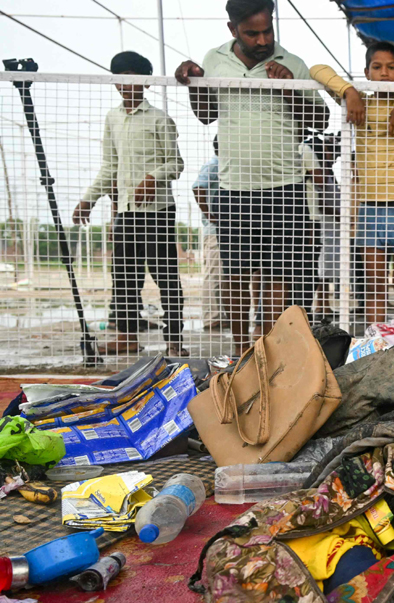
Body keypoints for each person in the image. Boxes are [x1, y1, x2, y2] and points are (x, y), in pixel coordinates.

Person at [174, 0, 329, 354]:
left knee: (277, 275)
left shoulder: (292, 63)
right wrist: (194, 83)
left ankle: (270, 350)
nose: (262, 40)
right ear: (232, 30)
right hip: (233, 187)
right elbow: (205, 114)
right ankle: (241, 348)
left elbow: (320, 121)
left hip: (285, 186)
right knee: (237, 274)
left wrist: (290, 86)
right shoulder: (214, 60)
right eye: (252, 33)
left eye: (267, 30)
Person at [310, 44, 394, 326]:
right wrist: (350, 92)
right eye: (377, 67)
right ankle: (377, 345)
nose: (384, 73)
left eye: (391, 67)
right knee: (375, 285)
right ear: (367, 72)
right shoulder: (360, 105)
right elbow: (317, 69)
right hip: (369, 208)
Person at [74, 51, 186, 357]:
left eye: (132, 77)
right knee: (124, 277)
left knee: (165, 276)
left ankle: (174, 340)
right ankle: (127, 336)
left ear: (145, 81)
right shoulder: (113, 119)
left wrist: (152, 177)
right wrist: (88, 199)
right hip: (125, 212)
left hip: (158, 212)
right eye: (120, 78)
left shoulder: (160, 119)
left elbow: (176, 164)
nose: (126, 84)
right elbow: (110, 167)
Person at [299, 134, 340, 322]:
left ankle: (322, 306)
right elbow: (323, 200)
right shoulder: (314, 169)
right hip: (315, 221)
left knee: (322, 268)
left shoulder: (329, 174)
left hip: (327, 227)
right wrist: (342, 214)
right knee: (316, 267)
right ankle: (315, 307)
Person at [192, 138, 225, 333]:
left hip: (221, 229)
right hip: (215, 231)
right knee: (214, 273)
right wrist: (210, 215)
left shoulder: (222, 165)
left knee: (221, 273)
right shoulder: (214, 165)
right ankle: (211, 318)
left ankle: (217, 316)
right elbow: (198, 187)